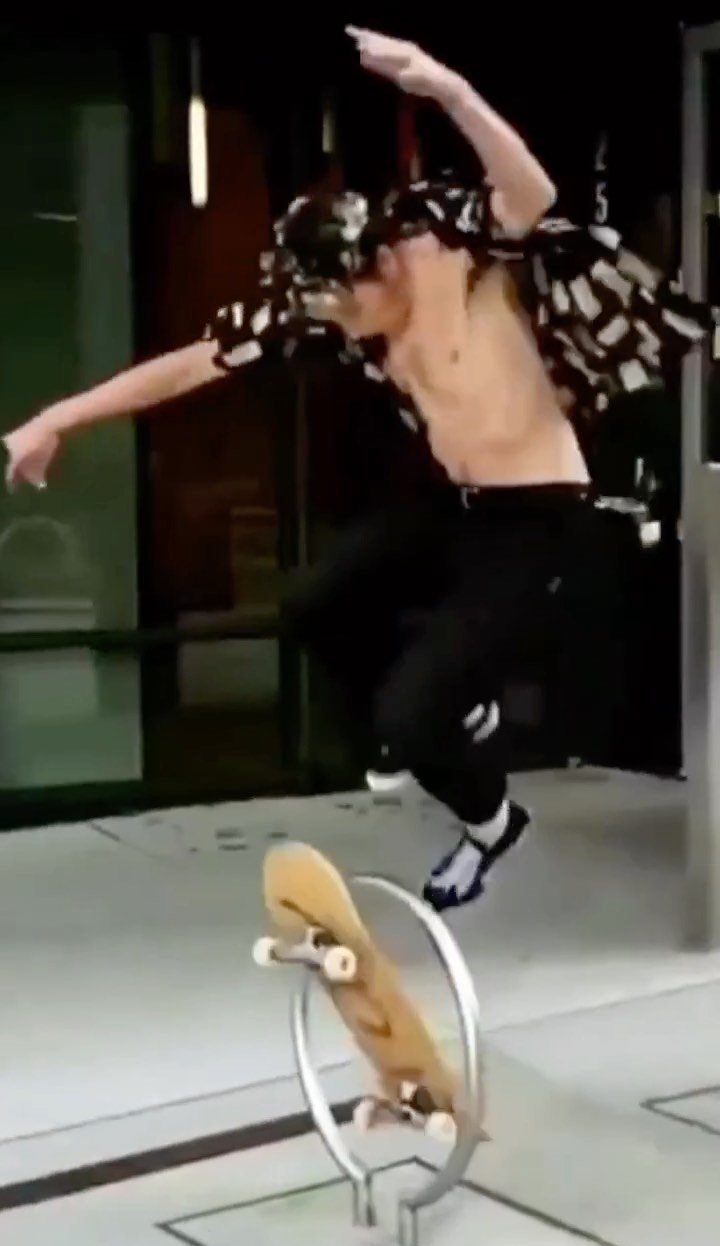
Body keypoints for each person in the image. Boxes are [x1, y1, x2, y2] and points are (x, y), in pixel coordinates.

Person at [3, 29, 711, 911]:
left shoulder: (455, 248)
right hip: (455, 509)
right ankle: (471, 755)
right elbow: (193, 363)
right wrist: (56, 419)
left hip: (544, 519)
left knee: (407, 720)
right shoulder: (326, 298)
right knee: (313, 605)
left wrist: (447, 86)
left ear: (379, 268)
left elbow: (531, 192)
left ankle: (478, 805)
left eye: (347, 311)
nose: (341, 331)